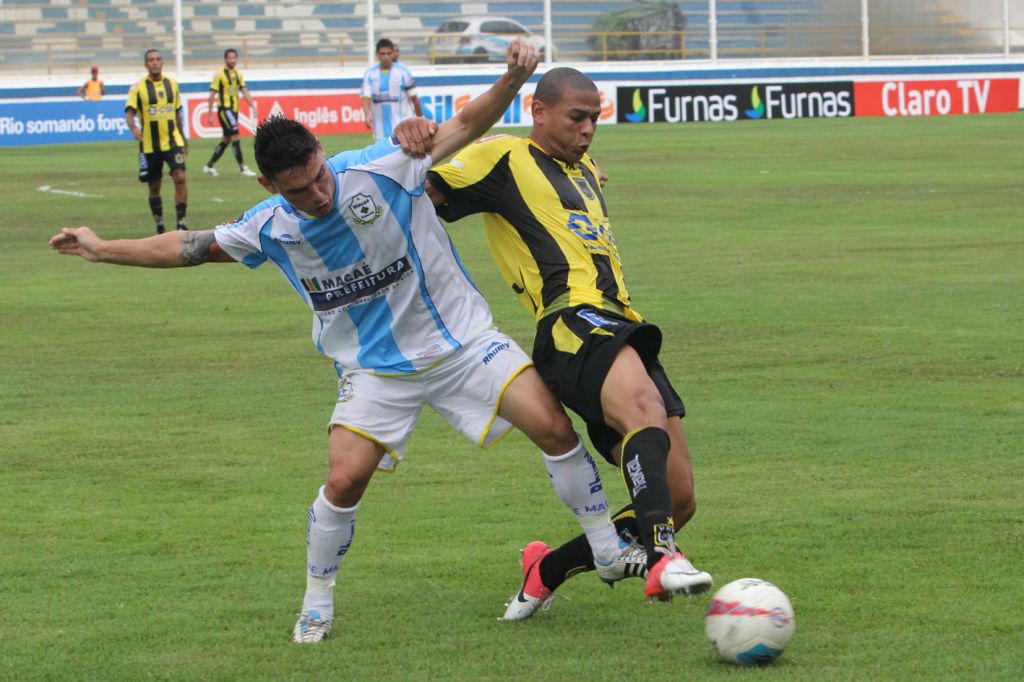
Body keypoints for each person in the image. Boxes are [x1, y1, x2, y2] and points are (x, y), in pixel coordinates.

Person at [50, 44, 636, 646]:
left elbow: (467, 123)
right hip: (376, 370)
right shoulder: (267, 226)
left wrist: (514, 76)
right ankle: (317, 601)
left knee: (553, 428)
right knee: (345, 480)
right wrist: (99, 247)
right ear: (270, 184)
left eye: (320, 177)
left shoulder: (384, 166)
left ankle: (606, 548)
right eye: (299, 191)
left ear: (324, 156)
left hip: (462, 342)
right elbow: (186, 247)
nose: (319, 196)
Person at [424, 66, 714, 619]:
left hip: (619, 321)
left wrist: (585, 165)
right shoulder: (501, 156)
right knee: (645, 412)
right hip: (569, 323)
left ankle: (547, 569)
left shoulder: (580, 170)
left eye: (594, 120)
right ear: (538, 111)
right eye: (575, 117)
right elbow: (419, 195)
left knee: (677, 498)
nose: (587, 130)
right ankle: (662, 556)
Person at [125, 49, 188, 233]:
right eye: (151, 60)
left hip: (172, 141)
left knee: (180, 177)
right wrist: (134, 128)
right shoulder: (138, 87)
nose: (155, 62)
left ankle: (181, 222)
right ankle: (160, 224)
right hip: (149, 145)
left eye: (158, 59)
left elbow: (177, 114)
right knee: (154, 186)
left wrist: (184, 139)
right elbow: (130, 112)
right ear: (146, 64)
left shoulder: (172, 84)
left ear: (162, 62)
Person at [203, 48, 258, 178]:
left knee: (227, 139)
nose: (232, 60)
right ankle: (243, 168)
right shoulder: (220, 74)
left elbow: (244, 90)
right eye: (229, 58)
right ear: (225, 59)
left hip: (233, 110)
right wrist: (210, 114)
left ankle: (209, 166)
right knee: (236, 137)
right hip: (224, 110)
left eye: (234, 58)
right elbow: (212, 95)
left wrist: (252, 105)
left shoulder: (237, 74)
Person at [361, 38, 422, 141]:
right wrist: (367, 115)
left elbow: (414, 98)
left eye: (389, 53)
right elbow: (366, 97)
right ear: (377, 54)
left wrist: (420, 119)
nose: (386, 57)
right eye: (382, 54)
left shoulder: (403, 72)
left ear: (393, 53)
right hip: (379, 130)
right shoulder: (369, 74)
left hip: (403, 128)